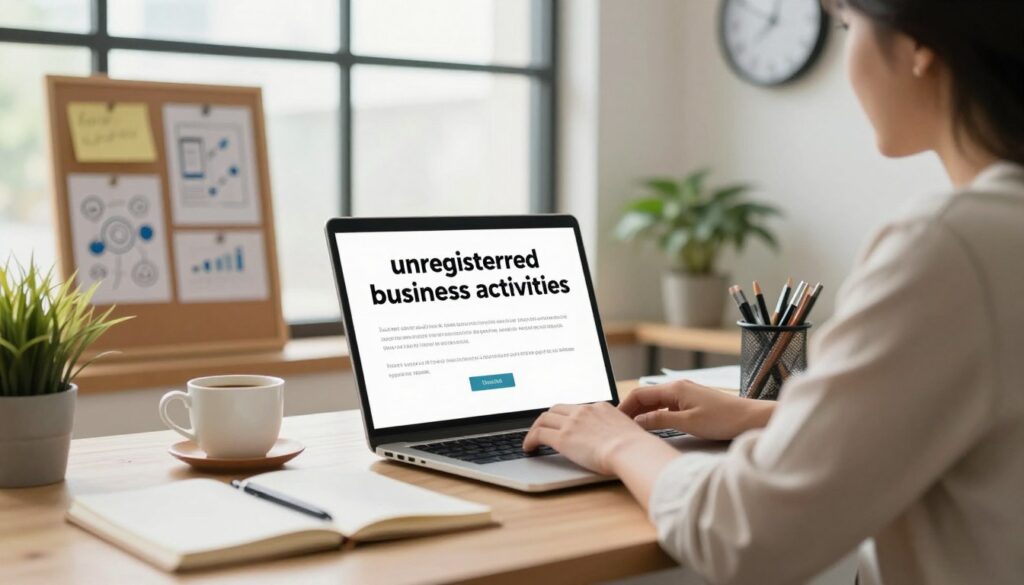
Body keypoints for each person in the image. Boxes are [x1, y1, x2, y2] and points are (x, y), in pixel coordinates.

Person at [523, 1, 1024, 583]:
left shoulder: (952, 244)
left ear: (918, 49)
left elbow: (747, 532)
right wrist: (766, 417)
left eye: (846, 28)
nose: (848, 62)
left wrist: (614, 443)